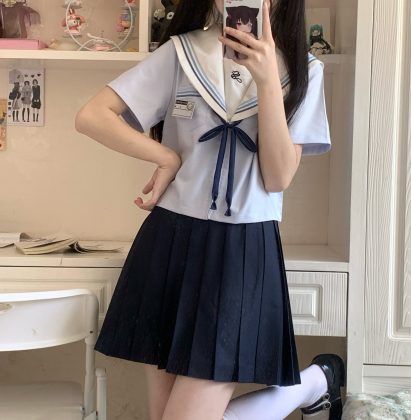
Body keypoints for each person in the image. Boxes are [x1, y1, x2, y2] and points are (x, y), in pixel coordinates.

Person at [75, 0, 346, 419]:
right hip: (171, 241)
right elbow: (93, 116)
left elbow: (277, 177)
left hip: (243, 251)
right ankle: (316, 382)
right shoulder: (182, 53)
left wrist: (267, 81)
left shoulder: (304, 70)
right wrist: (166, 157)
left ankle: (312, 383)